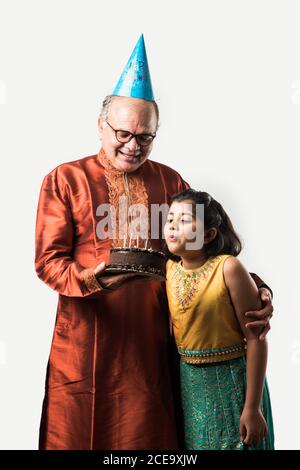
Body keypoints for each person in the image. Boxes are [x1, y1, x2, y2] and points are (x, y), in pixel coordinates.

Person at [35, 35, 273, 449]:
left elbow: (206, 255)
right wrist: (93, 278)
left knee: (149, 439)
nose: (133, 145)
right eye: (123, 133)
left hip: (155, 341)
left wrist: (255, 289)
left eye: (145, 137)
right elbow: (48, 262)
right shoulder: (65, 179)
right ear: (100, 126)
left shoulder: (170, 181)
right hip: (87, 340)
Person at [164, 189, 275, 450]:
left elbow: (256, 339)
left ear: (208, 234)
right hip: (191, 385)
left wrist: (252, 407)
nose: (172, 226)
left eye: (184, 220)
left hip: (234, 382)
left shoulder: (228, 268)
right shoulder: (168, 269)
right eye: (170, 219)